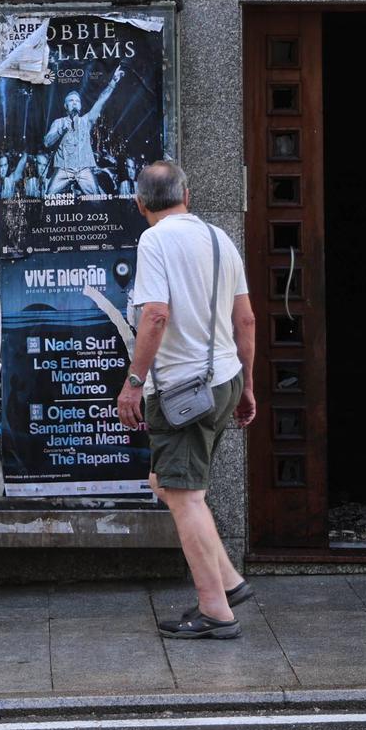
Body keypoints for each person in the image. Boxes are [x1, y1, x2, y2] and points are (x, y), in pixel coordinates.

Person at [115, 158, 258, 640]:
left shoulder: (153, 240)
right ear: (187, 196)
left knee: (184, 495)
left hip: (181, 390)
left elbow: (155, 314)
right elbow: (247, 321)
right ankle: (231, 582)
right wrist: (249, 385)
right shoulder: (220, 239)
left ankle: (216, 611)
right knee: (169, 482)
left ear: (139, 204)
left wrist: (134, 382)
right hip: (225, 380)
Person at [42, 65, 124, 196]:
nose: (74, 103)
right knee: (49, 197)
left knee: (97, 200)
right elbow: (47, 143)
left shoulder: (86, 121)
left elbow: (101, 100)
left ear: (80, 106)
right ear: (65, 105)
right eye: (71, 101)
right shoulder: (58, 123)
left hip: (84, 170)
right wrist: (60, 131)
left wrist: (113, 82)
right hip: (63, 169)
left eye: (77, 101)